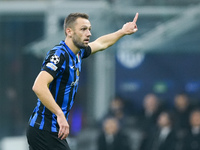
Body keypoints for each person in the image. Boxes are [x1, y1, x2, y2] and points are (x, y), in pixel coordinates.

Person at [26, 12, 139, 150]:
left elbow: (101, 43)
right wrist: (60, 114)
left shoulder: (78, 53)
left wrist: (122, 31)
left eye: (89, 29)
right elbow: (38, 86)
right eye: (83, 29)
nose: (89, 33)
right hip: (44, 129)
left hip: (48, 130)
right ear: (69, 31)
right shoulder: (59, 55)